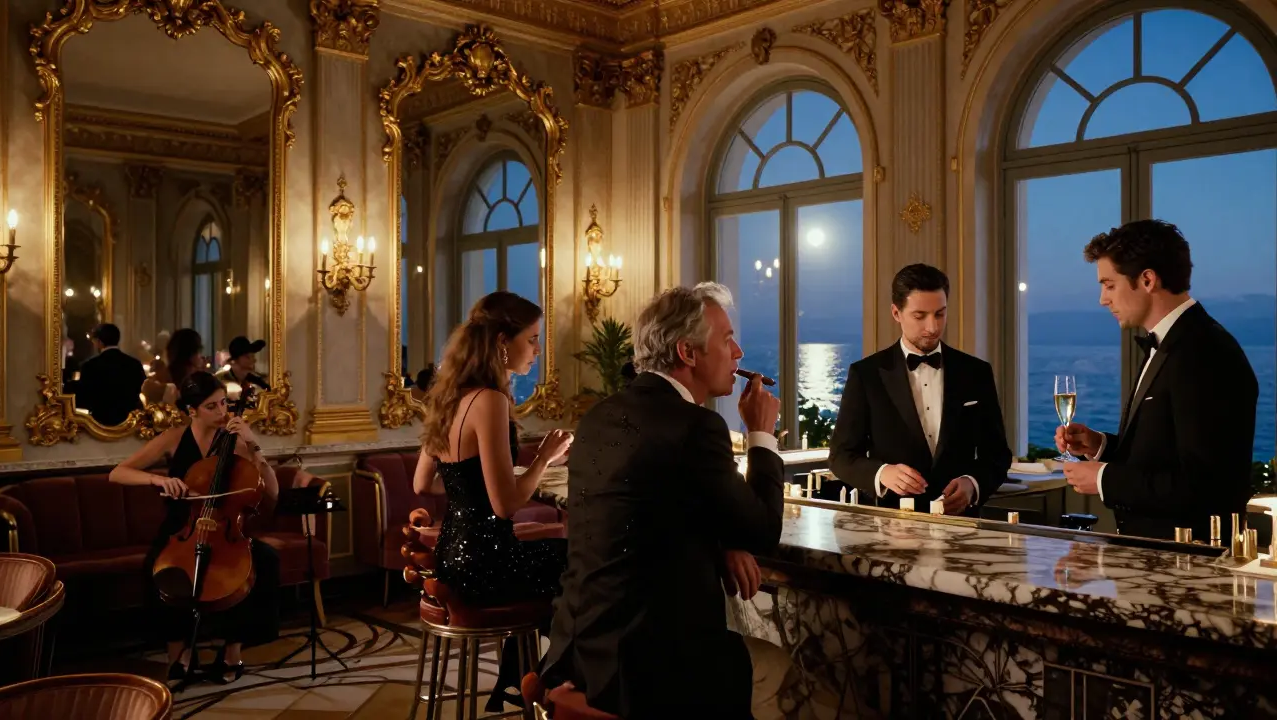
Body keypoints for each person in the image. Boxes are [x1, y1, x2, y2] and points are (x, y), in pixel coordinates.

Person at [540, 282, 784, 719]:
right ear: (688, 353)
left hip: (580, 649)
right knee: (782, 674)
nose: (740, 353)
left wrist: (722, 541)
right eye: (727, 339)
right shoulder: (697, 426)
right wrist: (762, 433)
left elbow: (652, 509)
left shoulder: (599, 416)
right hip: (651, 673)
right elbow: (763, 531)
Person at [412, 291, 572, 712]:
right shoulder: (491, 400)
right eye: (532, 339)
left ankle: (521, 681)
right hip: (486, 563)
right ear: (504, 341)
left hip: (452, 556)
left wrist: (474, 487)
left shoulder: (450, 396)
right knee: (583, 564)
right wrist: (544, 459)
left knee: (563, 560)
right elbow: (506, 506)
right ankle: (550, 685)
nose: (537, 350)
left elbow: (422, 484)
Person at [1057, 220, 1257, 540]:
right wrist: (1102, 446)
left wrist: (1104, 479)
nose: (1102, 299)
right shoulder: (1173, 342)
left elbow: (1206, 485)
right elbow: (1164, 455)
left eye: (1109, 284)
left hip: (1187, 566)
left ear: (1147, 279)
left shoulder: (1204, 352)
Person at [110, 372, 280, 684]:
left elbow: (271, 491)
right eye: (212, 406)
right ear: (192, 410)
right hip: (181, 527)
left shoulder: (235, 441)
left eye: (224, 404)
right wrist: (158, 479)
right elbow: (117, 474)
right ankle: (179, 654)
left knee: (263, 562)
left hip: (227, 529)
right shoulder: (173, 439)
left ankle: (232, 651)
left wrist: (254, 443)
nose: (223, 412)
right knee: (161, 571)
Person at [829, 264, 1011, 514]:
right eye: (920, 316)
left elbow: (997, 455)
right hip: (892, 526)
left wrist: (972, 484)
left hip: (960, 526)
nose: (932, 327)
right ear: (896, 313)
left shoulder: (976, 372)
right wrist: (883, 473)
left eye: (940, 314)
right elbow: (841, 456)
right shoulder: (866, 375)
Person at [75, 323, 146, 425]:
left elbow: (86, 397)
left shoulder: (90, 366)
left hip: (101, 422)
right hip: (130, 422)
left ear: (99, 342)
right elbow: (141, 388)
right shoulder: (134, 364)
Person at [143, 328, 204, 406]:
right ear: (189, 354)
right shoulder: (162, 386)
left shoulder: (195, 381)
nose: (201, 356)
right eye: (199, 351)